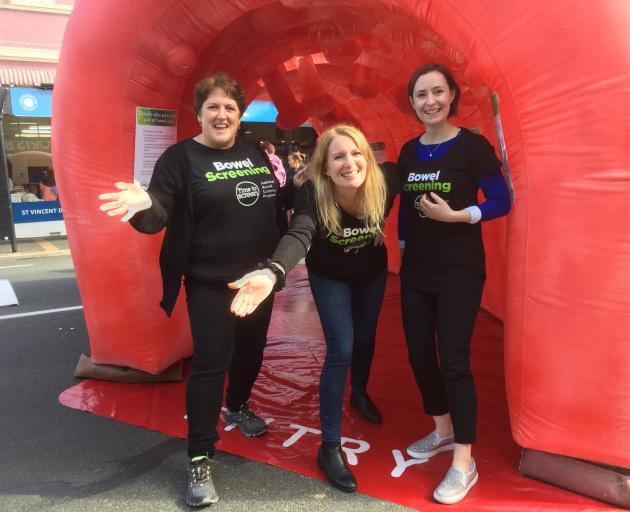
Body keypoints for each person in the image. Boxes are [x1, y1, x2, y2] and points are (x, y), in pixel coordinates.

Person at [98, 72, 306, 508]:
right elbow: (159, 212)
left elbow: (280, 202)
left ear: (239, 113)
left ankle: (239, 406)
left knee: (253, 351)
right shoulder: (179, 160)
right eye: (213, 106)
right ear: (199, 113)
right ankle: (199, 455)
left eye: (230, 107)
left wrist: (299, 186)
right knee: (213, 361)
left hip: (260, 278)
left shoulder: (257, 153)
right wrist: (142, 207)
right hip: (211, 283)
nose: (222, 114)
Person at [228, 124, 399, 493]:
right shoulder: (313, 195)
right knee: (343, 349)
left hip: (370, 272)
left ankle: (360, 392)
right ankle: (330, 447)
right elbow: (299, 233)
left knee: (366, 340)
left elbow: (422, 166)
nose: (349, 163)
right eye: (338, 156)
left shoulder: (386, 180)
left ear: (368, 158)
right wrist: (274, 272)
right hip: (330, 275)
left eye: (355, 153)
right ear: (324, 167)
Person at [397, 63, 511, 505]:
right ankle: (443, 429)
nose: (430, 101)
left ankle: (464, 461)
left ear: (451, 96)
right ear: (412, 102)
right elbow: (406, 210)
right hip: (418, 272)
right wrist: (405, 250)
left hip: (460, 270)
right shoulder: (409, 151)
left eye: (437, 92)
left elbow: (502, 200)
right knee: (419, 353)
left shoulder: (473, 147)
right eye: (421, 94)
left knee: (455, 362)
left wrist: (459, 216)